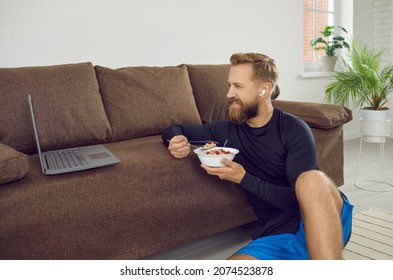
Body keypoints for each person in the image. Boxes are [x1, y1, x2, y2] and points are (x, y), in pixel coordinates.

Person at [161, 52, 353, 260]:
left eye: (238, 86)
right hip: (279, 236)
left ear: (264, 90)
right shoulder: (226, 130)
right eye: (229, 86)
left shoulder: (294, 129)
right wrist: (175, 140)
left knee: (311, 179)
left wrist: (243, 178)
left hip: (324, 219)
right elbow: (175, 128)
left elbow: (298, 202)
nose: (229, 94)